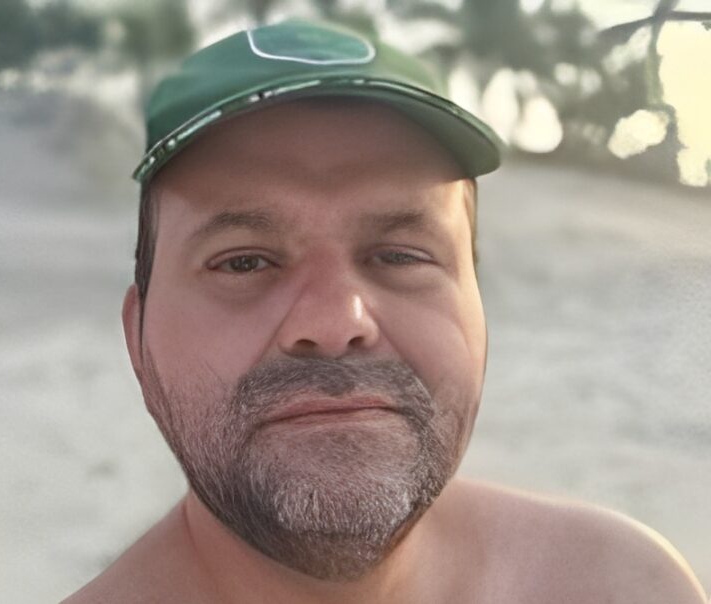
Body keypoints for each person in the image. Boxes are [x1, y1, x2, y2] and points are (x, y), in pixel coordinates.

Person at [64, 18, 707, 604]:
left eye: (400, 256)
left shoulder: (624, 586)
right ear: (138, 340)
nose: (335, 323)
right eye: (244, 262)